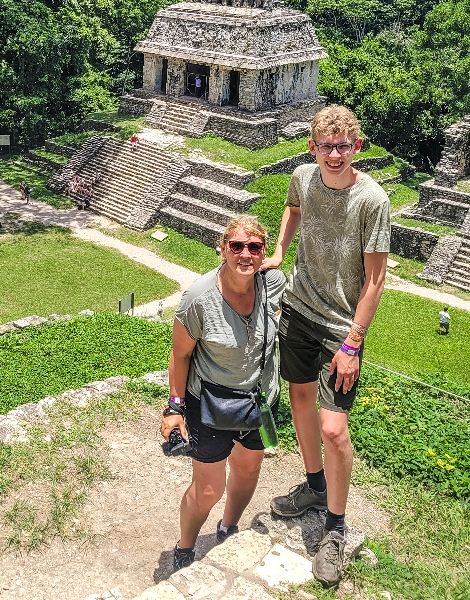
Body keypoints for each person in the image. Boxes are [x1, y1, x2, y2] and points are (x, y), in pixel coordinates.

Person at [260, 105, 390, 588]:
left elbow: (375, 279)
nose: (334, 155)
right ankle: (315, 486)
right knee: (298, 399)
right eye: (325, 146)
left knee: (334, 428)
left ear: (356, 146)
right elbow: (293, 207)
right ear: (312, 147)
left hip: (340, 325)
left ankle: (335, 526)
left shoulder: (371, 199)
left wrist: (354, 341)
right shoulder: (302, 176)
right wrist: (278, 252)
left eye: (343, 145)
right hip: (298, 307)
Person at [163, 216, 286, 573]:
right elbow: (181, 354)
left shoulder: (273, 283)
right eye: (236, 246)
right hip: (212, 403)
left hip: (259, 400)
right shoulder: (199, 298)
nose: (245, 254)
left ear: (263, 252)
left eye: (254, 247)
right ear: (222, 249)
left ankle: (228, 527)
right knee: (207, 489)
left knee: (248, 471)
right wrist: (174, 407)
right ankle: (185, 546)